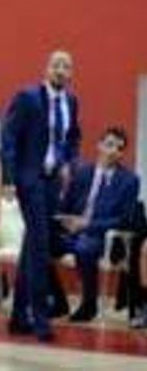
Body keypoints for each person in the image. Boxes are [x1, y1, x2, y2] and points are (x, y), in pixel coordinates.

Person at [2, 50, 81, 341]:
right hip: (29, 180)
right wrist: (9, 179)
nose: (61, 70)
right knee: (40, 245)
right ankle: (40, 318)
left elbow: (72, 137)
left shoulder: (71, 101)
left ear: (70, 73)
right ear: (47, 68)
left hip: (51, 184)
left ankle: (17, 316)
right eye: (56, 65)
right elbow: (8, 138)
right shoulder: (28, 97)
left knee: (32, 247)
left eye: (66, 66)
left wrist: (70, 163)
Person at [50, 127, 140, 322]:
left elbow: (125, 219)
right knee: (37, 242)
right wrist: (63, 218)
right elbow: (65, 207)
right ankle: (58, 302)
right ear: (99, 146)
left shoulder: (129, 181)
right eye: (109, 144)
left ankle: (89, 305)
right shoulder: (82, 173)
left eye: (119, 148)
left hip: (101, 237)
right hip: (72, 232)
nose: (113, 150)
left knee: (85, 247)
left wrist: (87, 224)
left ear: (122, 153)